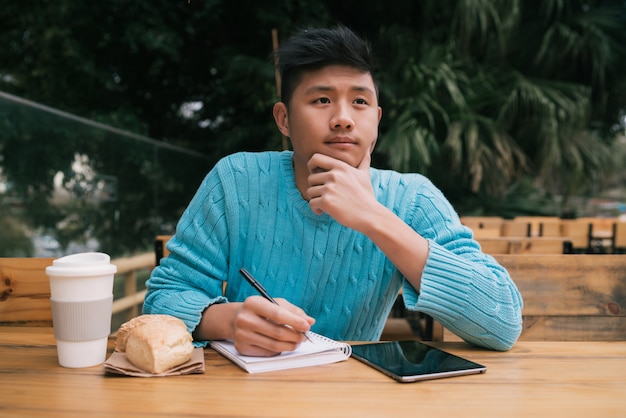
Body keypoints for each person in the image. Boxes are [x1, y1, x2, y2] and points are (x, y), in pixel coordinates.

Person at [143, 26, 523, 356]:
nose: (343, 117)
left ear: (375, 120)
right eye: (321, 99)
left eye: (360, 101)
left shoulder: (412, 198)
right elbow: (163, 299)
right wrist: (225, 319)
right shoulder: (236, 180)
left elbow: (503, 321)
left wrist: (375, 218)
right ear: (284, 119)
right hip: (246, 388)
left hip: (355, 395)